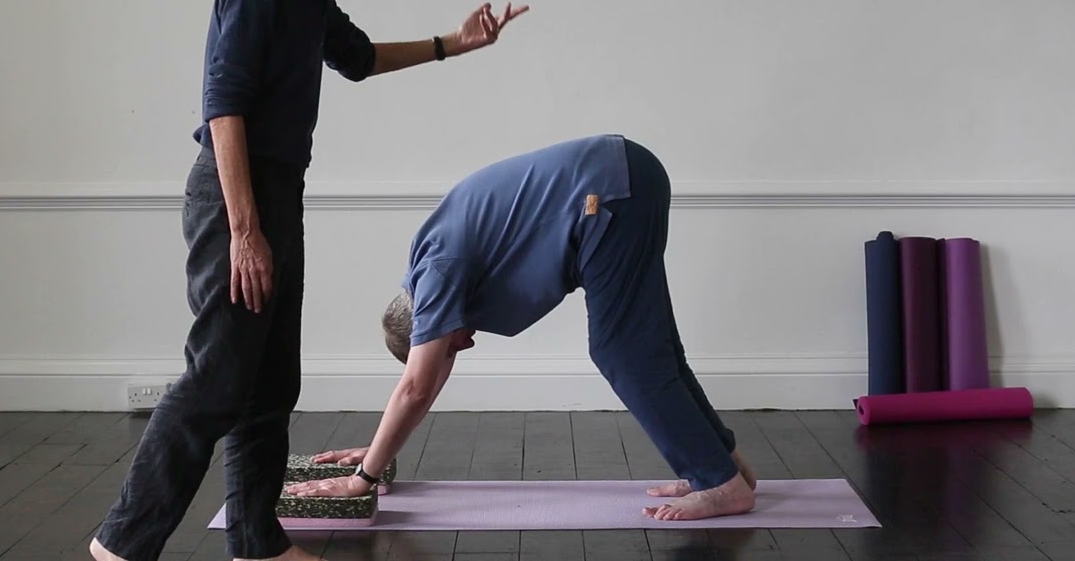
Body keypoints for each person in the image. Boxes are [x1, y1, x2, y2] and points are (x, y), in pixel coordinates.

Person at [89, 0, 528, 559]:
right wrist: (244, 230)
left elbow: (356, 59)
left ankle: (258, 541)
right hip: (237, 196)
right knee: (219, 378)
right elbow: (224, 109)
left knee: (269, 383)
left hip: (277, 193)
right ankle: (119, 545)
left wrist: (456, 43)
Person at [285, 134, 758, 521]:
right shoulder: (431, 262)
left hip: (611, 192)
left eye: (454, 345)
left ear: (425, 324)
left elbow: (417, 386)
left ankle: (720, 485)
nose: (466, 343)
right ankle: (719, 465)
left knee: (624, 352)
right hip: (626, 175)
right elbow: (428, 379)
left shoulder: (436, 276)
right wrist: (379, 451)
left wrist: (363, 478)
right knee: (654, 349)